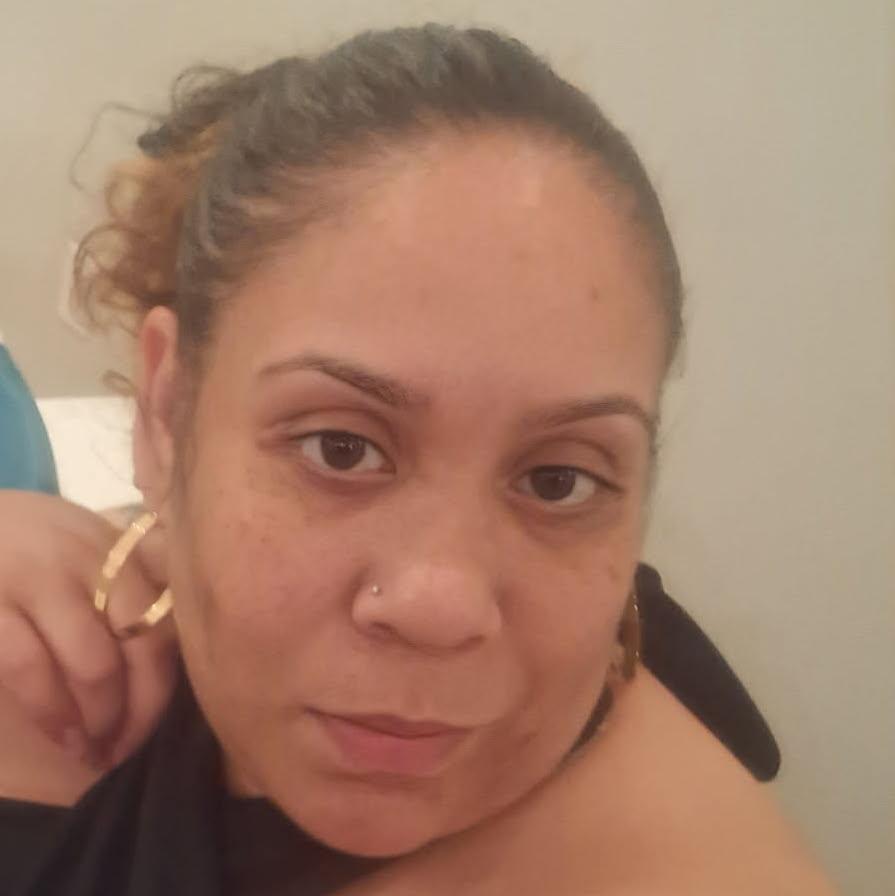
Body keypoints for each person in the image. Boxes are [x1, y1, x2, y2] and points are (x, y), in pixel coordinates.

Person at [0, 23, 836, 895]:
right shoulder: (68, 648)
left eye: (557, 480)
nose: (441, 603)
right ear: (166, 414)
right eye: (341, 449)